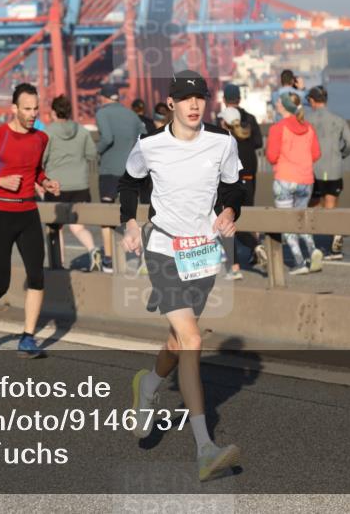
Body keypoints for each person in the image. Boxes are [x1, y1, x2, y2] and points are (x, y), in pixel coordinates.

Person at [118, 70, 243, 482]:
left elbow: (233, 188)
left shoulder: (223, 143)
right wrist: (131, 224)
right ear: (170, 103)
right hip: (164, 250)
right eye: (185, 98)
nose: (193, 105)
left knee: (177, 340)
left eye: (199, 98)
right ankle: (205, 449)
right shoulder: (150, 146)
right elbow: (129, 183)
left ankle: (149, 385)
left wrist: (229, 212)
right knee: (192, 339)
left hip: (203, 253)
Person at [0, 83, 60, 358]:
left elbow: (37, 170)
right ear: (14, 109)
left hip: (28, 212)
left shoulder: (41, 138)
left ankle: (27, 338)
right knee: (1, 283)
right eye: (27, 109)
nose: (32, 114)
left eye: (36, 109)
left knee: (37, 276)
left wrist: (47, 182)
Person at [42, 94, 102, 271]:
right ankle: (93, 251)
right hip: (80, 185)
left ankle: (58, 264)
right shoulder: (83, 131)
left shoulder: (48, 132)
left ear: (54, 112)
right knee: (77, 226)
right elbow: (92, 155)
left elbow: (41, 158)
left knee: (56, 227)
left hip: (56, 186)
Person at [266, 90, 323, 275]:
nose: (276, 104)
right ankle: (313, 249)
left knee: (287, 222)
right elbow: (316, 154)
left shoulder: (277, 128)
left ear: (283, 106)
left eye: (279, 102)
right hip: (306, 180)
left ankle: (299, 262)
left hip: (285, 179)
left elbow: (272, 157)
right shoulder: (309, 127)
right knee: (301, 218)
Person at [96, 83, 145, 272]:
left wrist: (95, 151)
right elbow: (144, 137)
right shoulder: (132, 115)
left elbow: (107, 138)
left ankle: (108, 260)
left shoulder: (102, 113)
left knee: (106, 215)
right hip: (131, 171)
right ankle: (139, 257)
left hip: (109, 170)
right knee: (131, 213)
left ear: (104, 97)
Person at [219, 83, 266, 274]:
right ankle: (256, 248)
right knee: (248, 212)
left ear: (225, 100)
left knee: (227, 219)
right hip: (249, 173)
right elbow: (258, 142)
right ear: (239, 98)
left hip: (231, 179)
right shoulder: (250, 118)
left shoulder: (223, 126)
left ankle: (235, 265)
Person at [305, 86, 350, 260]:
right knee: (331, 204)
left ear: (312, 100)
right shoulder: (338, 120)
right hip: (333, 168)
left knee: (311, 205)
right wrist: (340, 154)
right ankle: (335, 238)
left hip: (312, 169)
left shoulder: (306, 120)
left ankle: (313, 245)